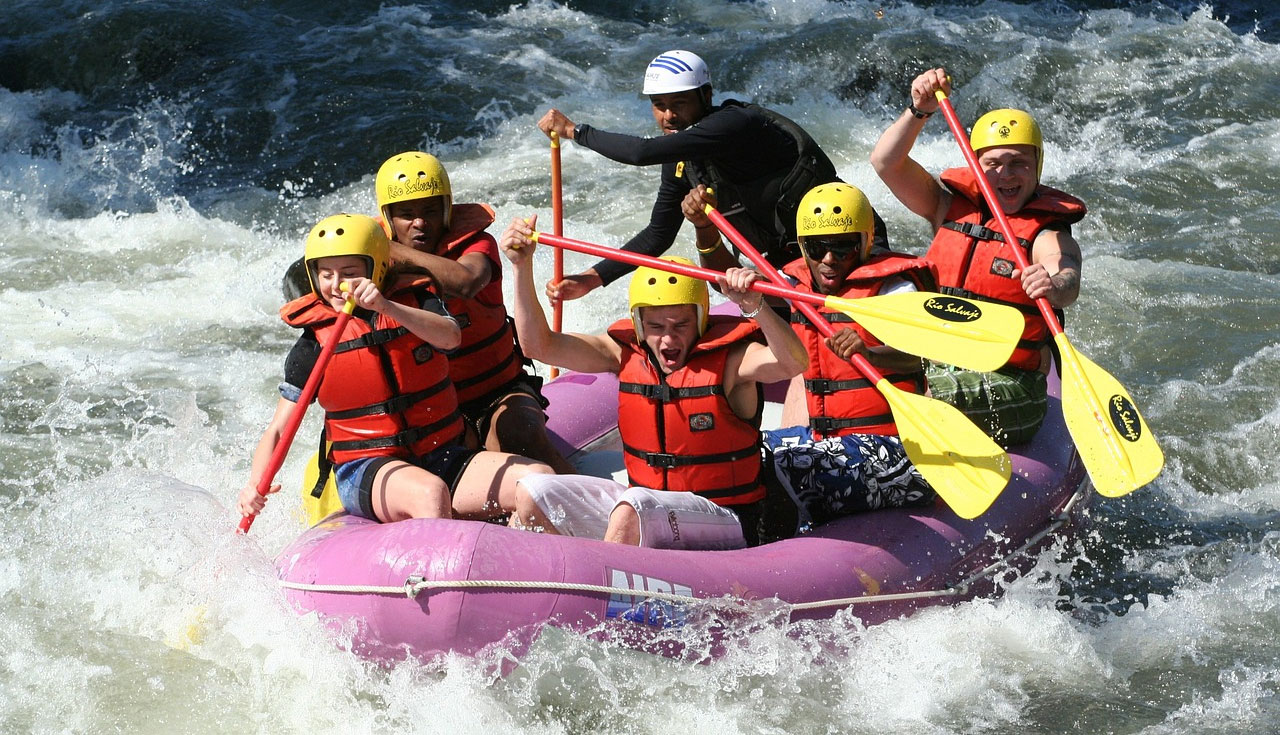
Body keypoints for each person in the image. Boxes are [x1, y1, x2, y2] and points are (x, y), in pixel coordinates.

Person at [498, 214, 809, 548]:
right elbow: (538, 346)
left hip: (726, 516)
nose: (668, 339)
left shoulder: (733, 361)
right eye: (657, 327)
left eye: (681, 325)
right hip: (649, 506)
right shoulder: (621, 354)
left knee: (633, 508)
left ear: (701, 319)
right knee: (534, 492)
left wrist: (756, 306)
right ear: (639, 325)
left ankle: (605, 578)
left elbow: (794, 362)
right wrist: (521, 266)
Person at [238, 213, 558, 529]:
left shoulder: (417, 302)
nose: (336, 285)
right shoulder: (312, 345)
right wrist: (255, 484)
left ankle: (523, 552)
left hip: (441, 453)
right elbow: (279, 429)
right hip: (366, 467)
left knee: (538, 481)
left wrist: (385, 306)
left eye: (349, 273)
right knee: (431, 494)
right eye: (326, 274)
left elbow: (450, 337)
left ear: (377, 268)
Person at [536, 49, 888, 304]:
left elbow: (641, 153)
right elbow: (658, 236)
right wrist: (590, 280)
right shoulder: (683, 159)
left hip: (847, 249)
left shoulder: (736, 125)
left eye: (679, 103)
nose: (669, 116)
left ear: (706, 95)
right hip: (790, 265)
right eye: (659, 105)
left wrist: (575, 131)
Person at [869, 68, 1085, 446]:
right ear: (976, 167)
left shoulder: (1045, 234)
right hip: (939, 361)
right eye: (993, 163)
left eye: (1019, 162)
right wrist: (919, 111)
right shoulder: (946, 208)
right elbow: (886, 162)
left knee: (923, 392)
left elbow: (1066, 272)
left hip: (1011, 382)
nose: (1006, 173)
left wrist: (1053, 285)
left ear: (1037, 167)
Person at [766, 184, 938, 533]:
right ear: (803, 247)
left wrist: (869, 352)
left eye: (843, 247)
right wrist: (707, 237)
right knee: (750, 457)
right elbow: (730, 282)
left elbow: (919, 356)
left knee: (793, 466)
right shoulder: (794, 285)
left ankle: (782, 540)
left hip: (896, 452)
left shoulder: (895, 290)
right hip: (824, 444)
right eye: (817, 248)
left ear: (865, 243)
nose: (829, 259)